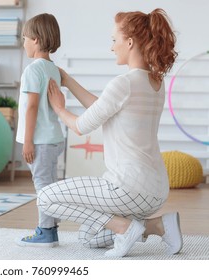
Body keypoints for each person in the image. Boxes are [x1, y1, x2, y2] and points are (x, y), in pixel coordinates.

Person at [41, 8, 182, 257]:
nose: (112, 47)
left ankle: (125, 227)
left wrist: (59, 108)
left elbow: (81, 126)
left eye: (114, 40)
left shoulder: (123, 84)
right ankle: (157, 224)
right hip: (156, 190)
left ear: (129, 42)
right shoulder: (155, 83)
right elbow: (104, 108)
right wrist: (69, 81)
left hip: (127, 188)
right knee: (88, 236)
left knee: (46, 198)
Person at [15, 13, 65, 247]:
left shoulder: (33, 70)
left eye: (24, 38)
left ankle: (45, 231)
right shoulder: (53, 69)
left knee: (43, 187)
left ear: (35, 40)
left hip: (40, 140)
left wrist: (27, 141)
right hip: (54, 138)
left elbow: (32, 106)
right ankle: (51, 228)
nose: (22, 42)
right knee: (50, 185)